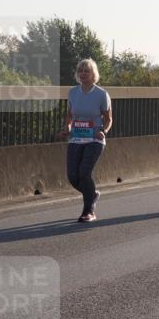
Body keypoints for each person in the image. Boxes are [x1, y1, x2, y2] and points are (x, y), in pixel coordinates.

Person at [58, 58, 112, 223]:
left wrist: (103, 131)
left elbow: (108, 119)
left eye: (86, 71)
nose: (83, 74)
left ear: (93, 74)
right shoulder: (73, 92)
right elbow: (69, 115)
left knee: (84, 173)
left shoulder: (101, 94)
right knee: (73, 177)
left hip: (94, 139)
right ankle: (92, 194)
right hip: (76, 138)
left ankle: (88, 211)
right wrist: (67, 128)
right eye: (80, 71)